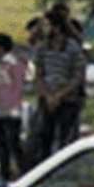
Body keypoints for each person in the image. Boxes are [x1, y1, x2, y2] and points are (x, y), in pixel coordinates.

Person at [32, 9, 86, 160]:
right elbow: (39, 73)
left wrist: (59, 95)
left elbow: (77, 76)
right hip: (47, 98)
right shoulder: (43, 47)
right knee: (43, 136)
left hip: (67, 99)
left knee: (65, 138)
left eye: (47, 25)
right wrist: (47, 95)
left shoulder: (73, 48)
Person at [0, 33, 26, 181]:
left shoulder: (13, 64)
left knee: (13, 143)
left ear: (0, 47)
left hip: (10, 111)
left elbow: (17, 87)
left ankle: (22, 171)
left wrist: (11, 106)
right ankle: (4, 172)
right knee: (1, 144)